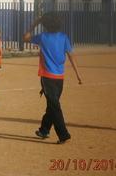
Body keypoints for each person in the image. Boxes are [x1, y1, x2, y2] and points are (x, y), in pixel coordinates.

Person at [24, 12, 82, 144]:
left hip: (47, 77)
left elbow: (25, 37)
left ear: (44, 24)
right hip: (59, 78)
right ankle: (44, 129)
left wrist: (35, 23)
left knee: (54, 105)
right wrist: (78, 75)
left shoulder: (42, 37)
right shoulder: (64, 37)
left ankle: (63, 134)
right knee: (53, 104)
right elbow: (71, 56)